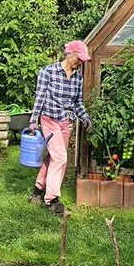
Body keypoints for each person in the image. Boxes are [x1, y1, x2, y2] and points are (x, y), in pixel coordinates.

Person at [28, 40, 92, 216]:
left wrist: (84, 117)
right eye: (79, 58)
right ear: (69, 54)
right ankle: (52, 201)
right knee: (61, 158)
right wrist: (34, 120)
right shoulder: (48, 72)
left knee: (54, 158)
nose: (80, 63)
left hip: (66, 123)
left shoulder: (78, 77)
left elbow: (77, 102)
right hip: (49, 119)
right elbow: (40, 97)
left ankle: (37, 190)